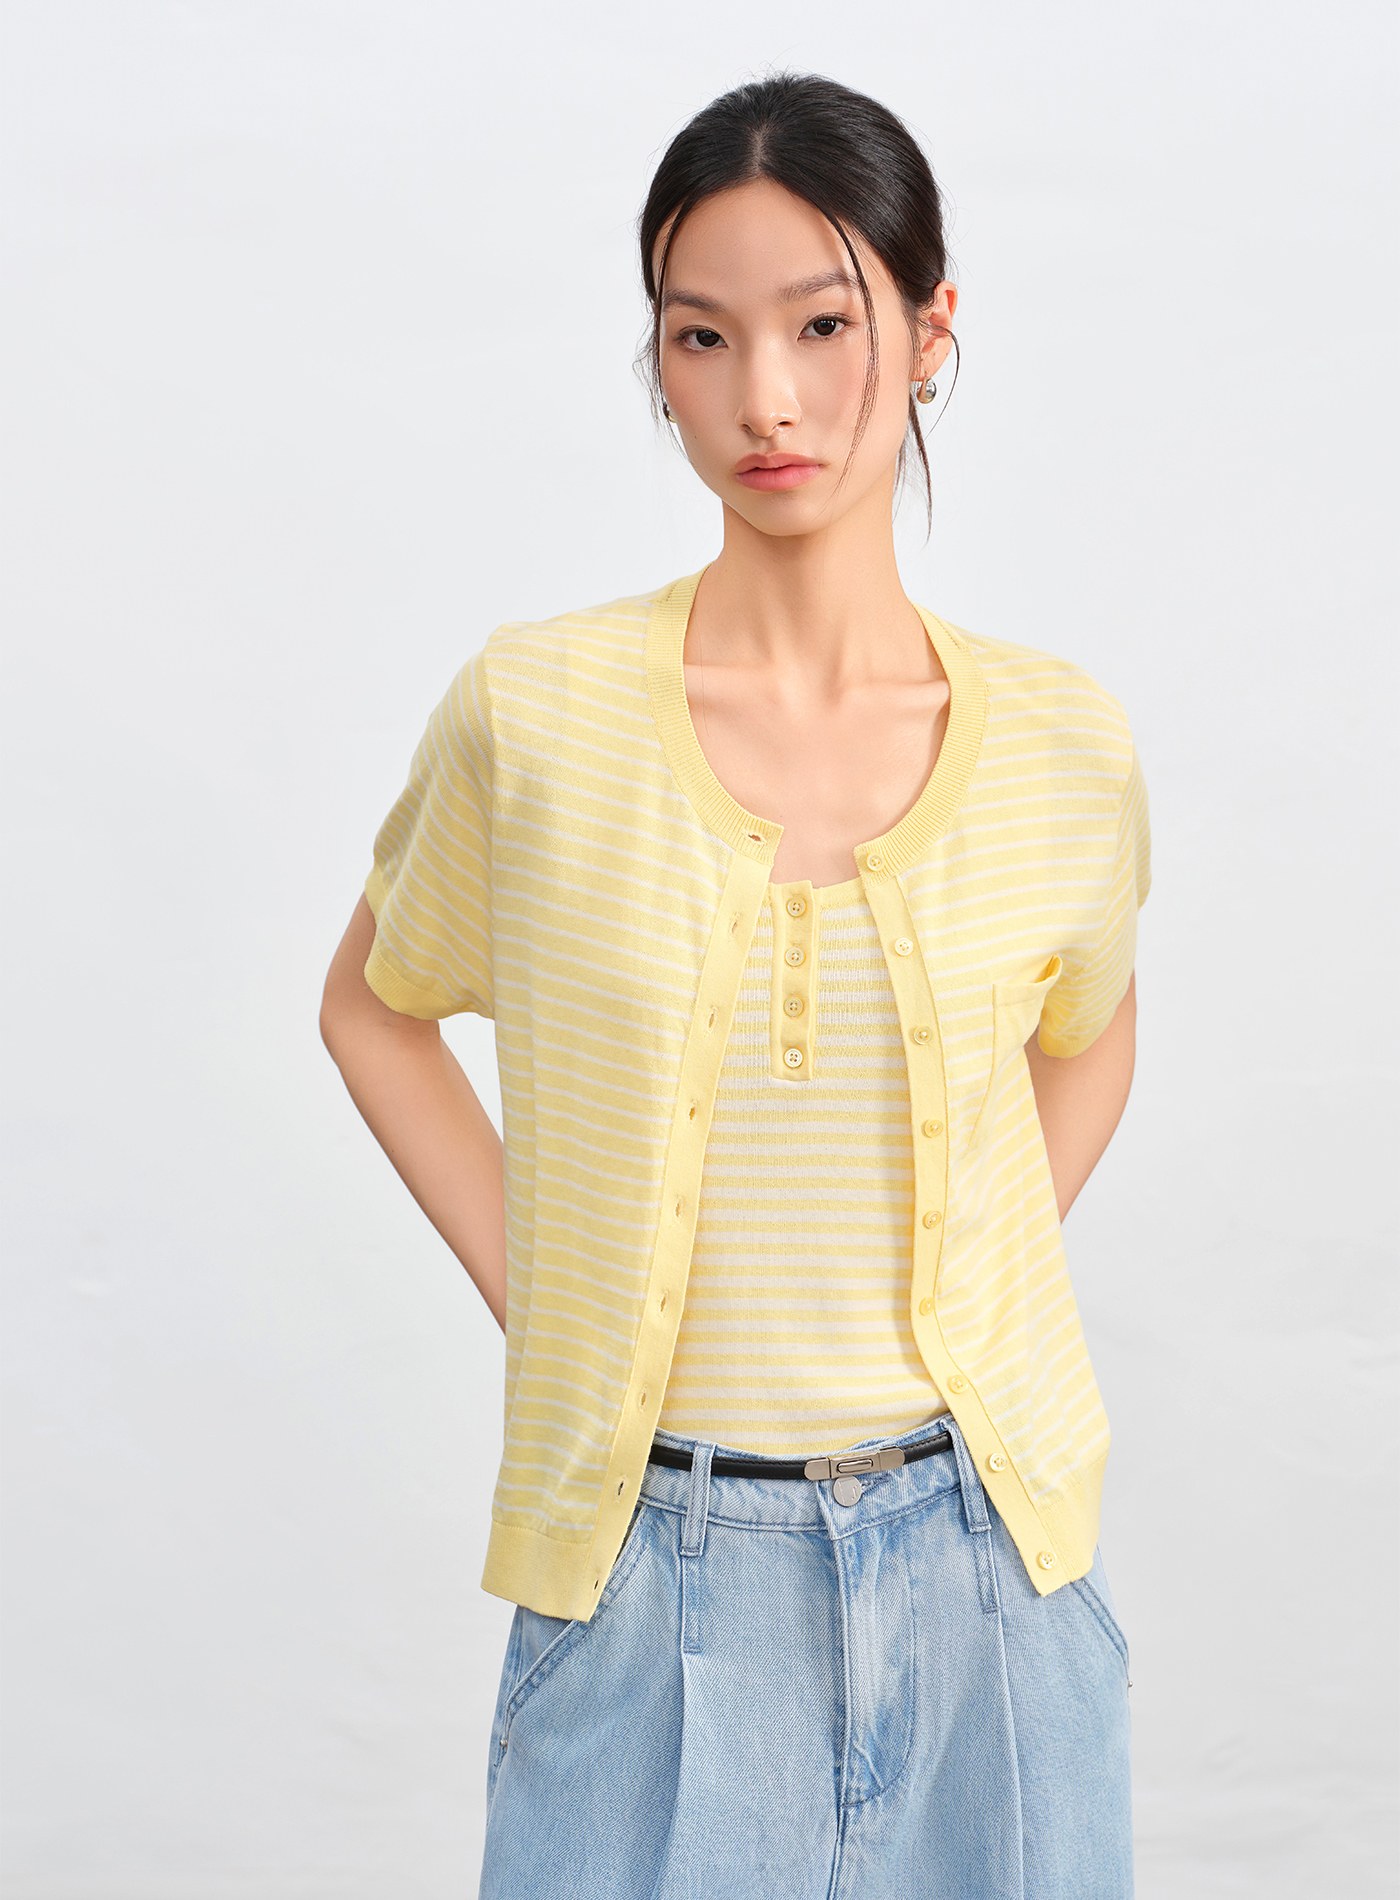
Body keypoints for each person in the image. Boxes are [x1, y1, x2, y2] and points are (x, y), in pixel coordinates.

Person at [321, 69, 1150, 1900]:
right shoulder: (536, 716)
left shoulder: (1062, 744)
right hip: (650, 1577)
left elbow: (1090, 1033)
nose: (764, 398)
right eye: (702, 336)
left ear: (932, 329)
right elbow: (375, 1005)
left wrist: (982, 1272)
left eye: (824, 325)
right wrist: (558, 1291)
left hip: (994, 1584)